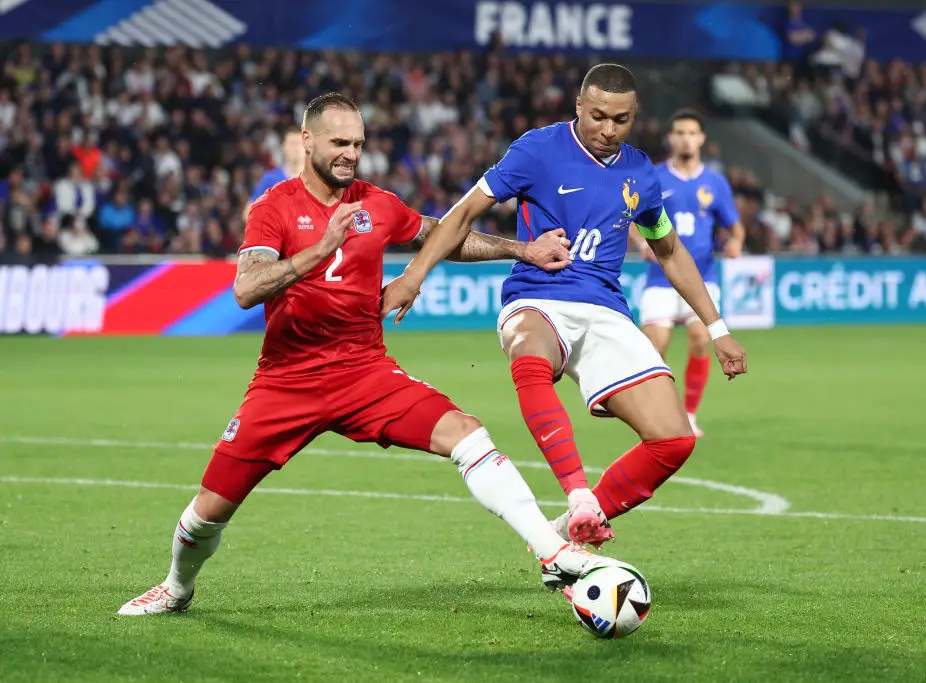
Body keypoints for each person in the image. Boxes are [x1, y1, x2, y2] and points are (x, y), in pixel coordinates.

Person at [118, 92, 610, 616]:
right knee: (208, 511)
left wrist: (521, 248)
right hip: (287, 380)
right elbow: (246, 289)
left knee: (466, 432)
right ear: (307, 141)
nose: (350, 154)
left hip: (365, 372)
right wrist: (320, 250)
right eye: (339, 143)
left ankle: (553, 551)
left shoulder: (377, 203)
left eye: (358, 144)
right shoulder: (273, 208)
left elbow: (443, 235)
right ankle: (176, 587)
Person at [382, 65, 748, 556]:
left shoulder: (641, 171)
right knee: (530, 352)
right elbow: (464, 213)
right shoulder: (538, 149)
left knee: (675, 440)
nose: (607, 129)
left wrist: (717, 327)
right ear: (578, 106)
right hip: (537, 296)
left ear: (634, 118)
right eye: (597, 116)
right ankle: (578, 493)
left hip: (605, 310)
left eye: (620, 120)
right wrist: (413, 275)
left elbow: (669, 250)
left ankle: (570, 528)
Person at [632, 109, 745, 437]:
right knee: (655, 345)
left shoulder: (715, 183)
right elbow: (630, 220)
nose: (685, 138)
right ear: (670, 137)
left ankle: (689, 415)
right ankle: (656, 412)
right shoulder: (653, 177)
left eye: (691, 132)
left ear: (701, 139)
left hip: (702, 277)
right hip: (661, 279)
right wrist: (641, 243)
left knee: (699, 338)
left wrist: (735, 243)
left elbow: (734, 228)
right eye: (679, 132)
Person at [242, 126, 304, 221]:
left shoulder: (318, 180)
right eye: (292, 144)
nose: (295, 148)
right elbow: (248, 213)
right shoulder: (270, 179)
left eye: (299, 144)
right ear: (283, 147)